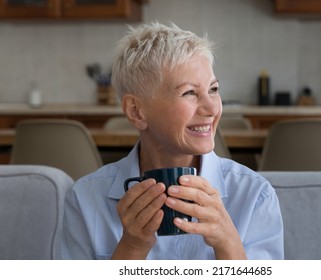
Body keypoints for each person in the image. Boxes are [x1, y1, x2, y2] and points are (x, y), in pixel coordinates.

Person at [59, 22, 284, 260]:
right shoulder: (84, 200)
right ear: (136, 112)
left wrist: (228, 242)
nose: (211, 108)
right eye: (189, 93)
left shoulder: (256, 196)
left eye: (214, 89)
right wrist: (132, 247)